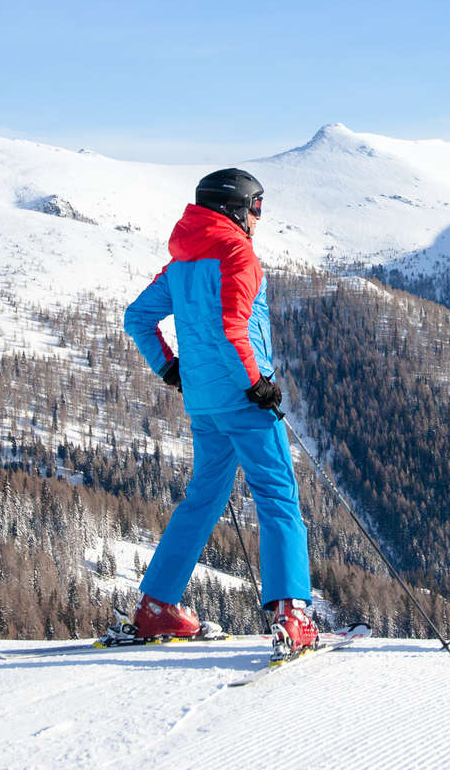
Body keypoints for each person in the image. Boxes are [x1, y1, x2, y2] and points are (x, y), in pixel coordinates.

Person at [122, 168, 319, 654]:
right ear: (235, 207)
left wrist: (170, 368)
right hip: (245, 400)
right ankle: (292, 615)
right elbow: (235, 328)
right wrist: (258, 384)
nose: (258, 218)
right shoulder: (238, 254)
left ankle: (156, 607)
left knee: (203, 500)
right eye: (255, 207)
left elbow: (137, 318)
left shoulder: (182, 263)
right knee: (278, 497)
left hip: (205, 404)